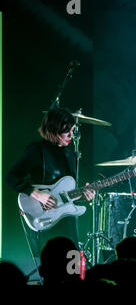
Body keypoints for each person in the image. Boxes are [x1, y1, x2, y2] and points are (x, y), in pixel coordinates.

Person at [6, 108, 95, 262]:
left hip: (68, 223)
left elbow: (69, 194)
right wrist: (36, 193)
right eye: (66, 131)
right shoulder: (37, 150)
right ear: (54, 129)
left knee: (72, 269)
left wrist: (84, 195)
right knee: (52, 272)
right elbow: (12, 177)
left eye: (73, 131)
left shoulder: (71, 155)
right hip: (45, 219)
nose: (71, 136)